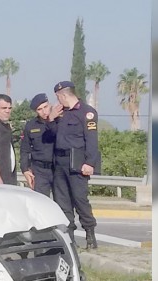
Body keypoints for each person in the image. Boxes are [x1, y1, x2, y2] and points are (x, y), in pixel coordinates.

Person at [50, 81, 100, 249]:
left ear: (64, 95)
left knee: (80, 199)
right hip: (60, 162)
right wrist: (51, 119)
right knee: (62, 201)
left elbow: (91, 140)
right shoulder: (60, 114)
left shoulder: (87, 113)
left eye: (58, 97)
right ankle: (70, 238)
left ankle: (90, 233)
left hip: (78, 162)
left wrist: (89, 163)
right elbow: (50, 135)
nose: (58, 101)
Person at [20, 93, 57, 195]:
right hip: (39, 171)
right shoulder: (31, 125)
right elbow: (25, 149)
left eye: (45, 107)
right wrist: (25, 169)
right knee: (41, 203)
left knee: (61, 204)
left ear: (50, 104)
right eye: (39, 109)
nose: (44, 111)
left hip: (58, 169)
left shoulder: (59, 121)